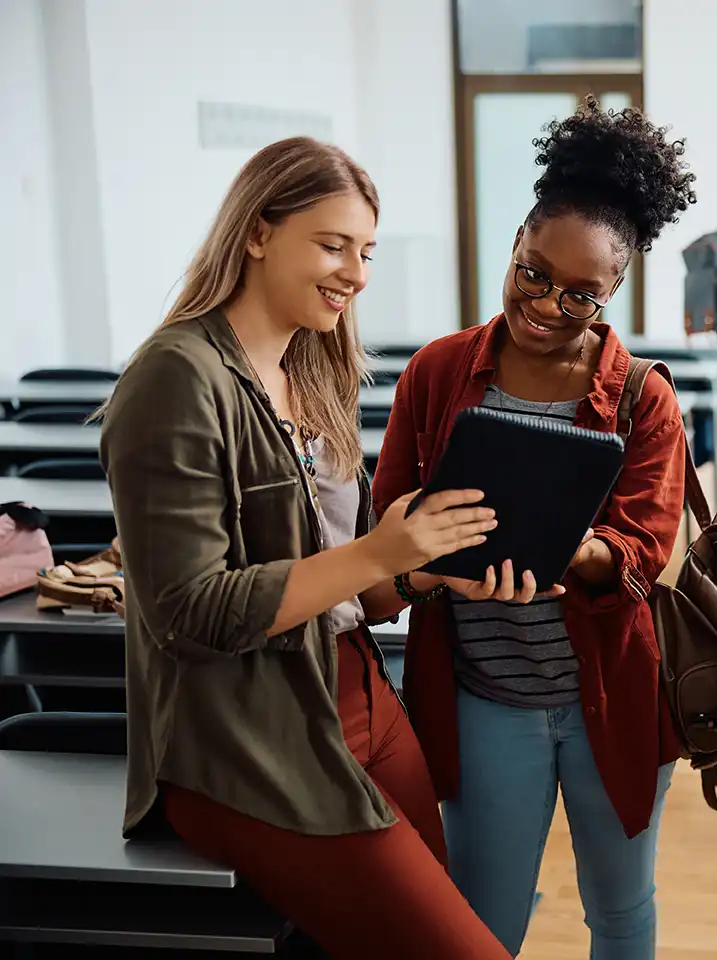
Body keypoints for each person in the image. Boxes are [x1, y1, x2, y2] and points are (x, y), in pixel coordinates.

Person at [99, 138, 512, 958]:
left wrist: (422, 566)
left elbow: (349, 585)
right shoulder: (176, 377)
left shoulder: (314, 368)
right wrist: (377, 555)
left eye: (365, 252)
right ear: (257, 232)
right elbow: (188, 613)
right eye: (332, 245)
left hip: (360, 697)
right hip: (249, 739)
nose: (355, 273)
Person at [371, 97, 694, 959]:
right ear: (515, 243)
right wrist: (433, 553)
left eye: (581, 295)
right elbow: (385, 529)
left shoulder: (642, 396)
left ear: (614, 290)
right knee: (481, 916)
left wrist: (572, 554)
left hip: (610, 698)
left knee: (620, 909)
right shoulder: (438, 373)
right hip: (483, 695)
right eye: (532, 273)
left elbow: (644, 553)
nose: (548, 304)